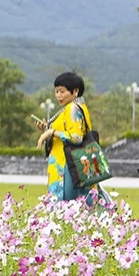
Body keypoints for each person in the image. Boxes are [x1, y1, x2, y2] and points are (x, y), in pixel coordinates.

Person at [34, 71, 105, 206]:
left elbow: (76, 137)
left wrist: (51, 132)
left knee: (67, 206)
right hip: (72, 165)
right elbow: (65, 132)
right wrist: (46, 129)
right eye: (56, 91)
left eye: (62, 91)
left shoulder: (72, 108)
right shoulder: (72, 108)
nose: (58, 96)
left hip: (68, 166)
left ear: (75, 91)